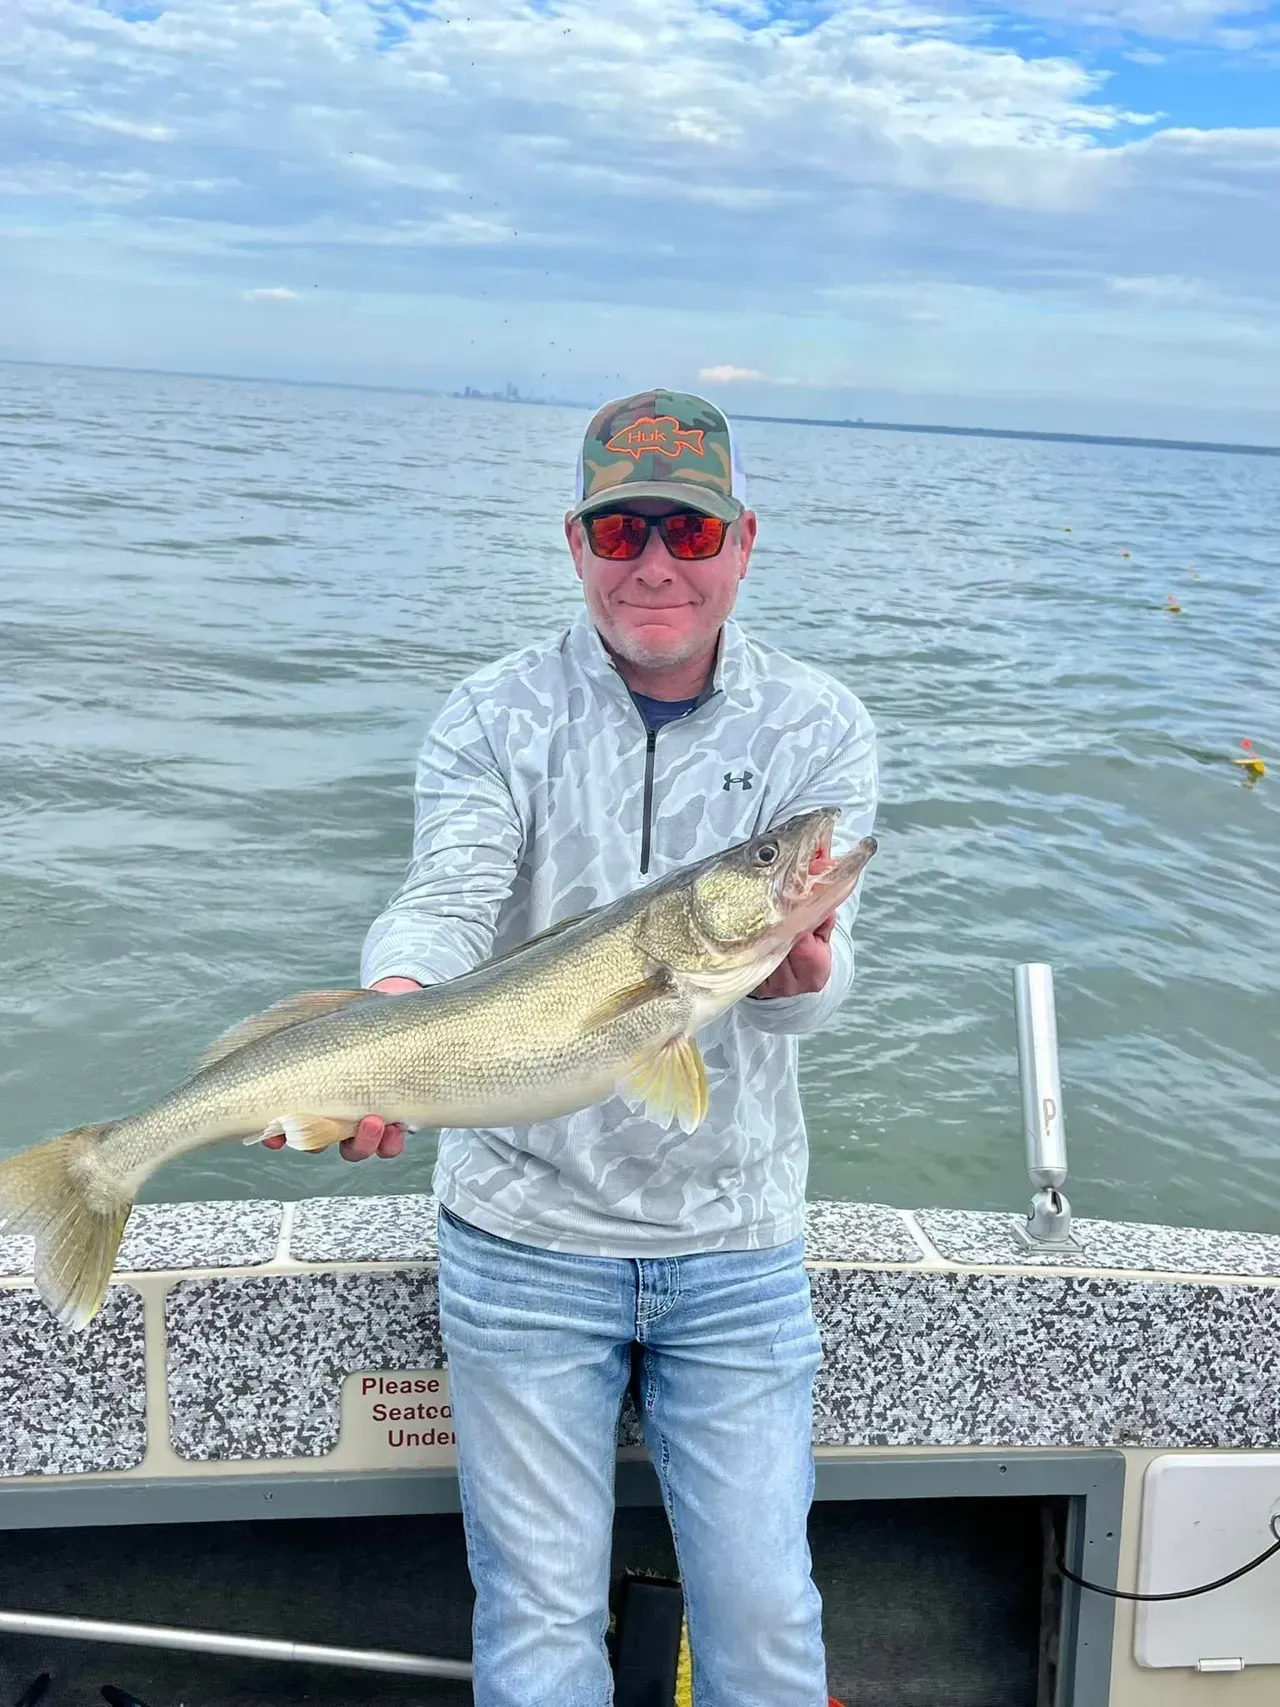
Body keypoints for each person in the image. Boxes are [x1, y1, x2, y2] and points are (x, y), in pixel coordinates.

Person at [269, 390, 878, 1706]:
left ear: (744, 540)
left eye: (688, 528)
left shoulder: (818, 729)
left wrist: (803, 960)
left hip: (736, 1246)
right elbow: (450, 892)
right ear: (575, 540)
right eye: (621, 528)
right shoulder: (494, 713)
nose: (655, 562)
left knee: (768, 1622)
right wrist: (386, 1004)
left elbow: (808, 995)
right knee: (540, 1628)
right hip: (522, 1240)